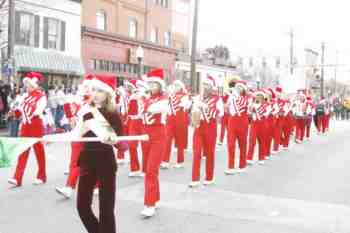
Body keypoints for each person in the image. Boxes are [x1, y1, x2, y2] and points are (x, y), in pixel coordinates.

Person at [45, 75, 123, 233]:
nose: (95, 93)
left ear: (108, 94)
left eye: (100, 90)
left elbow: (120, 142)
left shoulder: (113, 113)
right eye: (93, 89)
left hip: (106, 162)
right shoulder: (86, 111)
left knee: (106, 210)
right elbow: (75, 134)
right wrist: (51, 137)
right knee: (82, 206)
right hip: (87, 160)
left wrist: (112, 139)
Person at [8, 72, 47, 186]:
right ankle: (17, 178)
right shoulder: (25, 96)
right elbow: (20, 110)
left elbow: (39, 110)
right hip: (25, 126)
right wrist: (14, 113)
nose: (27, 87)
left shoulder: (41, 96)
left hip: (35, 126)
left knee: (39, 152)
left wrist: (30, 111)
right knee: (22, 152)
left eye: (29, 84)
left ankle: (42, 176)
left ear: (34, 85)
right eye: (26, 85)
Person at [140, 69, 169, 217]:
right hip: (146, 136)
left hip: (158, 137)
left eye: (154, 84)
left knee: (151, 170)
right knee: (149, 170)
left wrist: (144, 101)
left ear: (160, 86)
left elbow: (153, 108)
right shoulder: (147, 98)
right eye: (149, 83)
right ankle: (155, 198)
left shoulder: (163, 99)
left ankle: (149, 204)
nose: (151, 86)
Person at [189, 75, 224, 187]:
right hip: (199, 127)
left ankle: (209, 177)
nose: (205, 87)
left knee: (209, 153)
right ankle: (195, 179)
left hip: (210, 127)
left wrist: (204, 106)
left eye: (207, 85)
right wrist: (193, 108)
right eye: (204, 84)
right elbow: (193, 111)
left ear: (212, 87)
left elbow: (219, 114)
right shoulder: (198, 97)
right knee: (197, 152)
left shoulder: (217, 99)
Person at [161, 79, 191, 169]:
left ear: (181, 87)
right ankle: (165, 161)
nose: (175, 87)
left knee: (180, 141)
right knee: (167, 140)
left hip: (180, 121)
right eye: (174, 85)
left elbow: (184, 105)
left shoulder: (184, 96)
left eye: (177, 86)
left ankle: (180, 161)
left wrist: (172, 96)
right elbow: (166, 106)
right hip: (170, 120)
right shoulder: (170, 96)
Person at [225, 79, 249, 174]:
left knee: (242, 145)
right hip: (232, 122)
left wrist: (234, 96)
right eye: (237, 87)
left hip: (242, 122)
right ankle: (230, 166)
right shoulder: (232, 97)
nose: (238, 89)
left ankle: (242, 165)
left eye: (240, 87)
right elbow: (227, 108)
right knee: (230, 144)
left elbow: (243, 104)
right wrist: (227, 103)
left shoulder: (246, 98)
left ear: (243, 90)